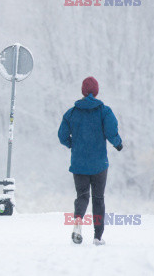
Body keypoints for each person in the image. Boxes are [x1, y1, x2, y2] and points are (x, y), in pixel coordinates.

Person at [58, 76, 122, 246]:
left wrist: (73, 144)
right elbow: (111, 131)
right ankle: (97, 236)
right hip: (99, 164)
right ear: (96, 91)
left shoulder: (71, 113)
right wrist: (118, 144)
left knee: (82, 195)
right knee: (98, 198)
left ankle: (78, 221)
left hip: (79, 164)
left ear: (82, 91)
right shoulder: (104, 111)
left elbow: (62, 136)